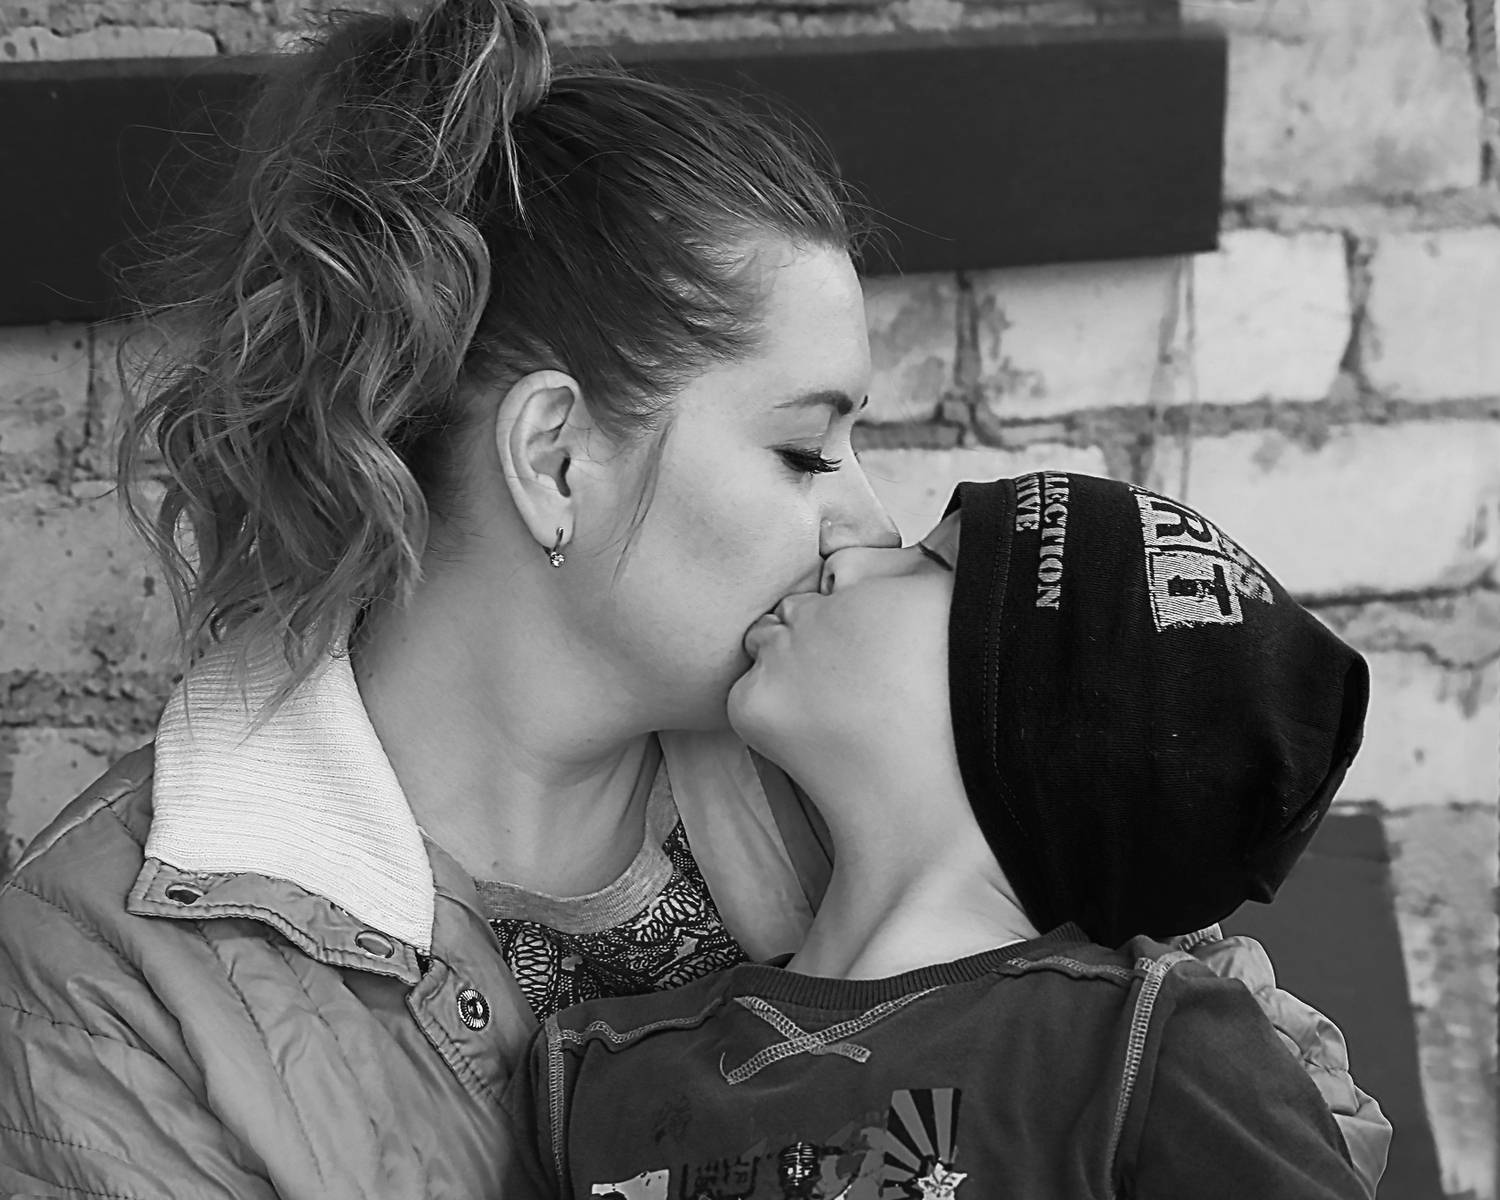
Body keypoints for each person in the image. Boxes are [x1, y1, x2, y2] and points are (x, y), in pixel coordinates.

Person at [0, 0, 1385, 1192]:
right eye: (804, 451)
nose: (871, 524)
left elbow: (1280, 1094)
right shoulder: (116, 971)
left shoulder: (858, 756)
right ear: (556, 459)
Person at [508, 473, 1380, 1200]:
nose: (849, 556)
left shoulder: (1143, 1054)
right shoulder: (593, 1076)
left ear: (1036, 723)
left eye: (930, 561)